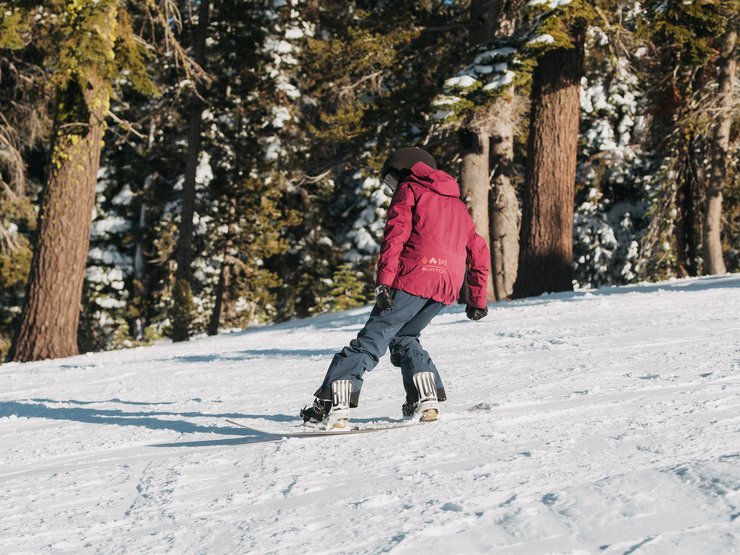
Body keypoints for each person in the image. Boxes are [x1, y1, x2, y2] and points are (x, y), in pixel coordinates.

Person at [300, 147, 490, 429]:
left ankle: (332, 403)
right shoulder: (457, 205)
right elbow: (479, 250)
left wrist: (384, 283)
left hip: (414, 276)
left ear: (406, 169)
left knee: (370, 340)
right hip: (446, 285)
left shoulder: (411, 190)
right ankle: (424, 394)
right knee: (404, 337)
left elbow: (395, 237)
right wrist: (477, 299)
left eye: (392, 180)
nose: (393, 187)